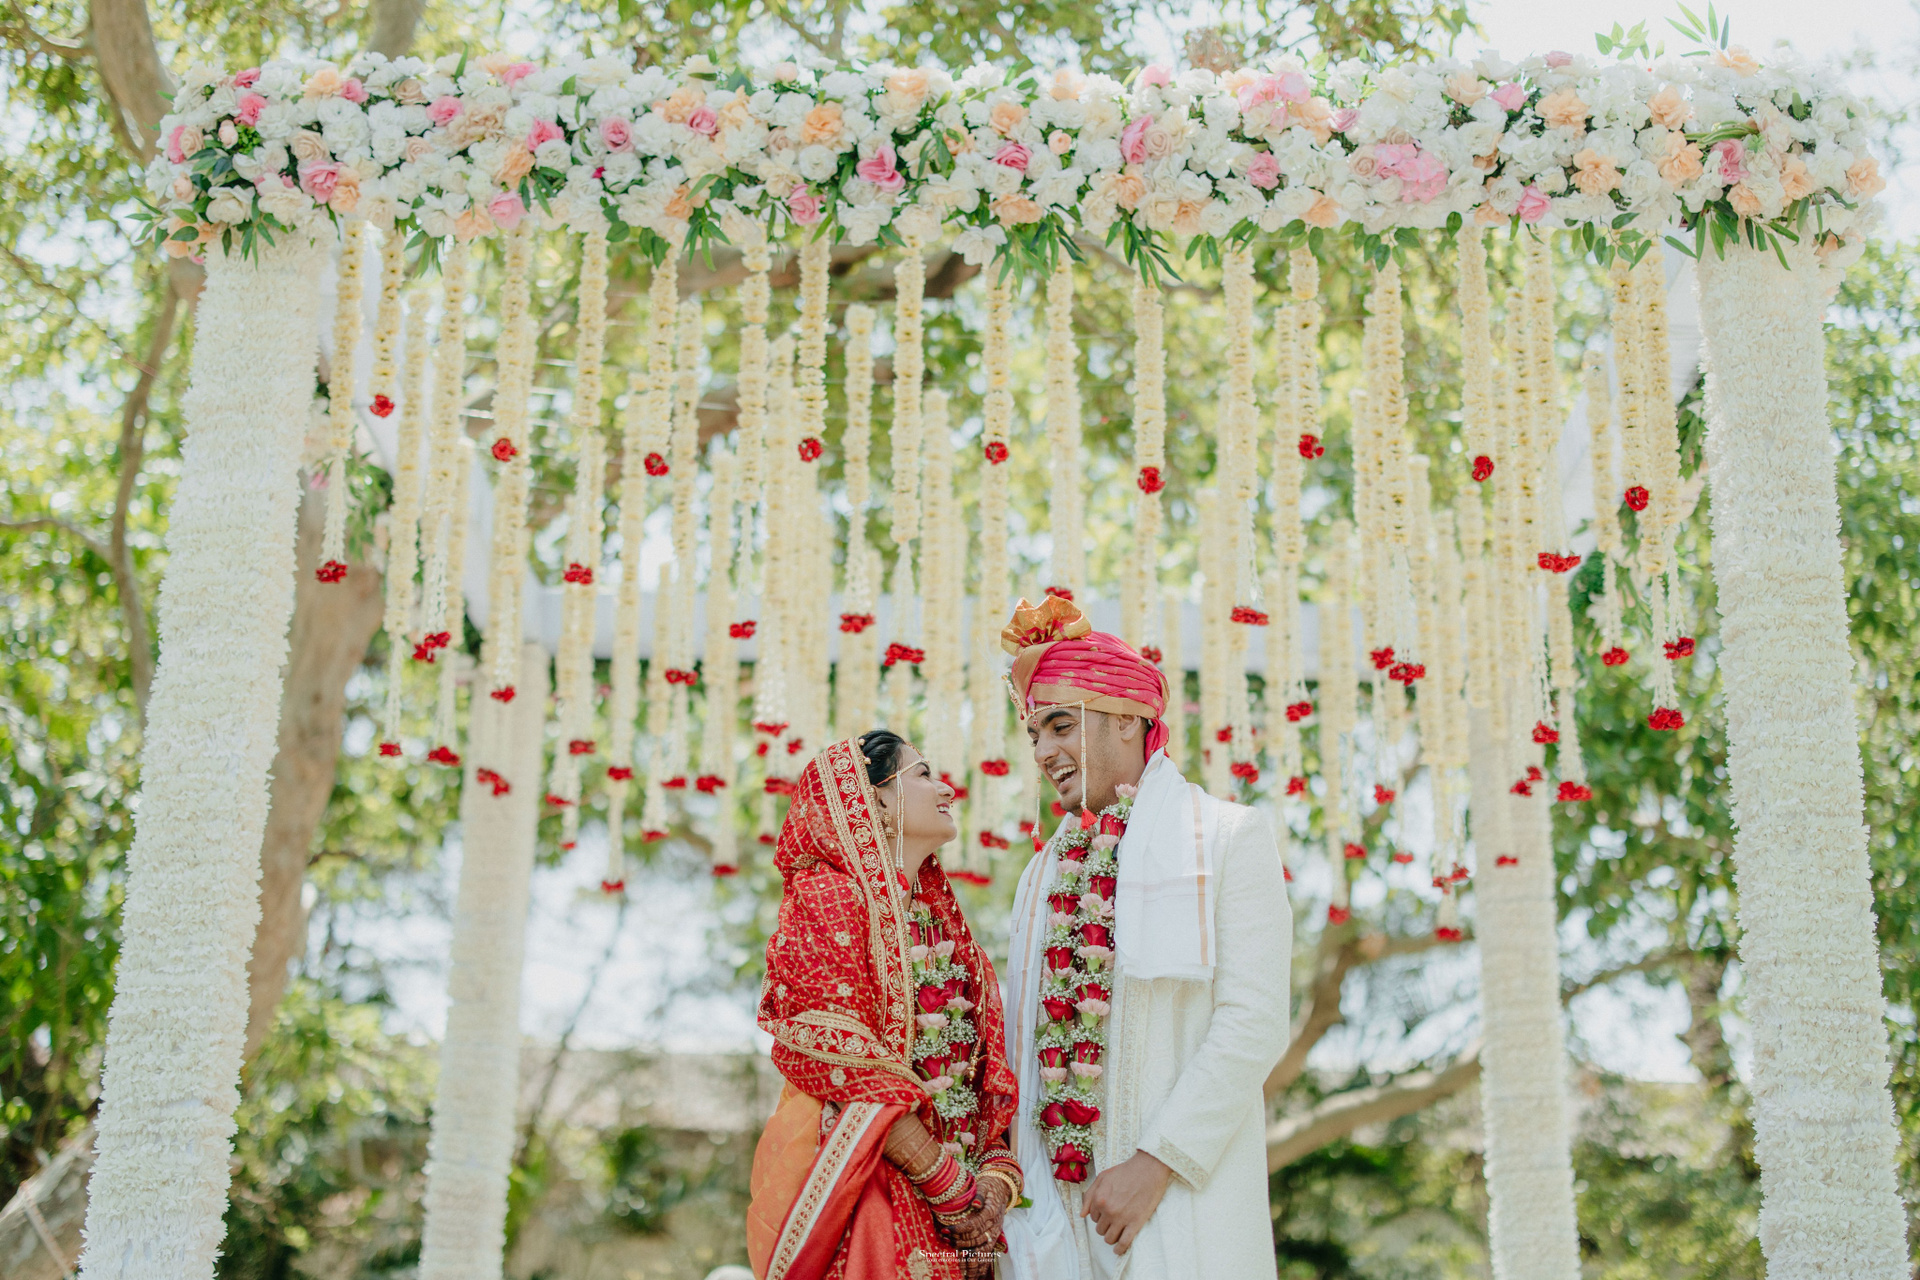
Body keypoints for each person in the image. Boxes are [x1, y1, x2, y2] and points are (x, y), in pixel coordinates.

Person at [996, 595, 1293, 1280]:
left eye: (1061, 725)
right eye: (1034, 733)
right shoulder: (1043, 872)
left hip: (1183, 1213)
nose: (1043, 752)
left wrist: (1155, 1163)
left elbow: (1253, 1024)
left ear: (1129, 718)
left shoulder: (1228, 838)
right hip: (1054, 1227)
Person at [747, 731, 1022, 1280]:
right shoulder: (829, 895)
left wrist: (994, 1186)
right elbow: (842, 1056)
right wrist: (948, 1185)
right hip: (871, 1195)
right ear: (875, 799)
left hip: (963, 1220)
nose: (946, 789)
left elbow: (985, 1080)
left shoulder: (947, 932)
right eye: (923, 775)